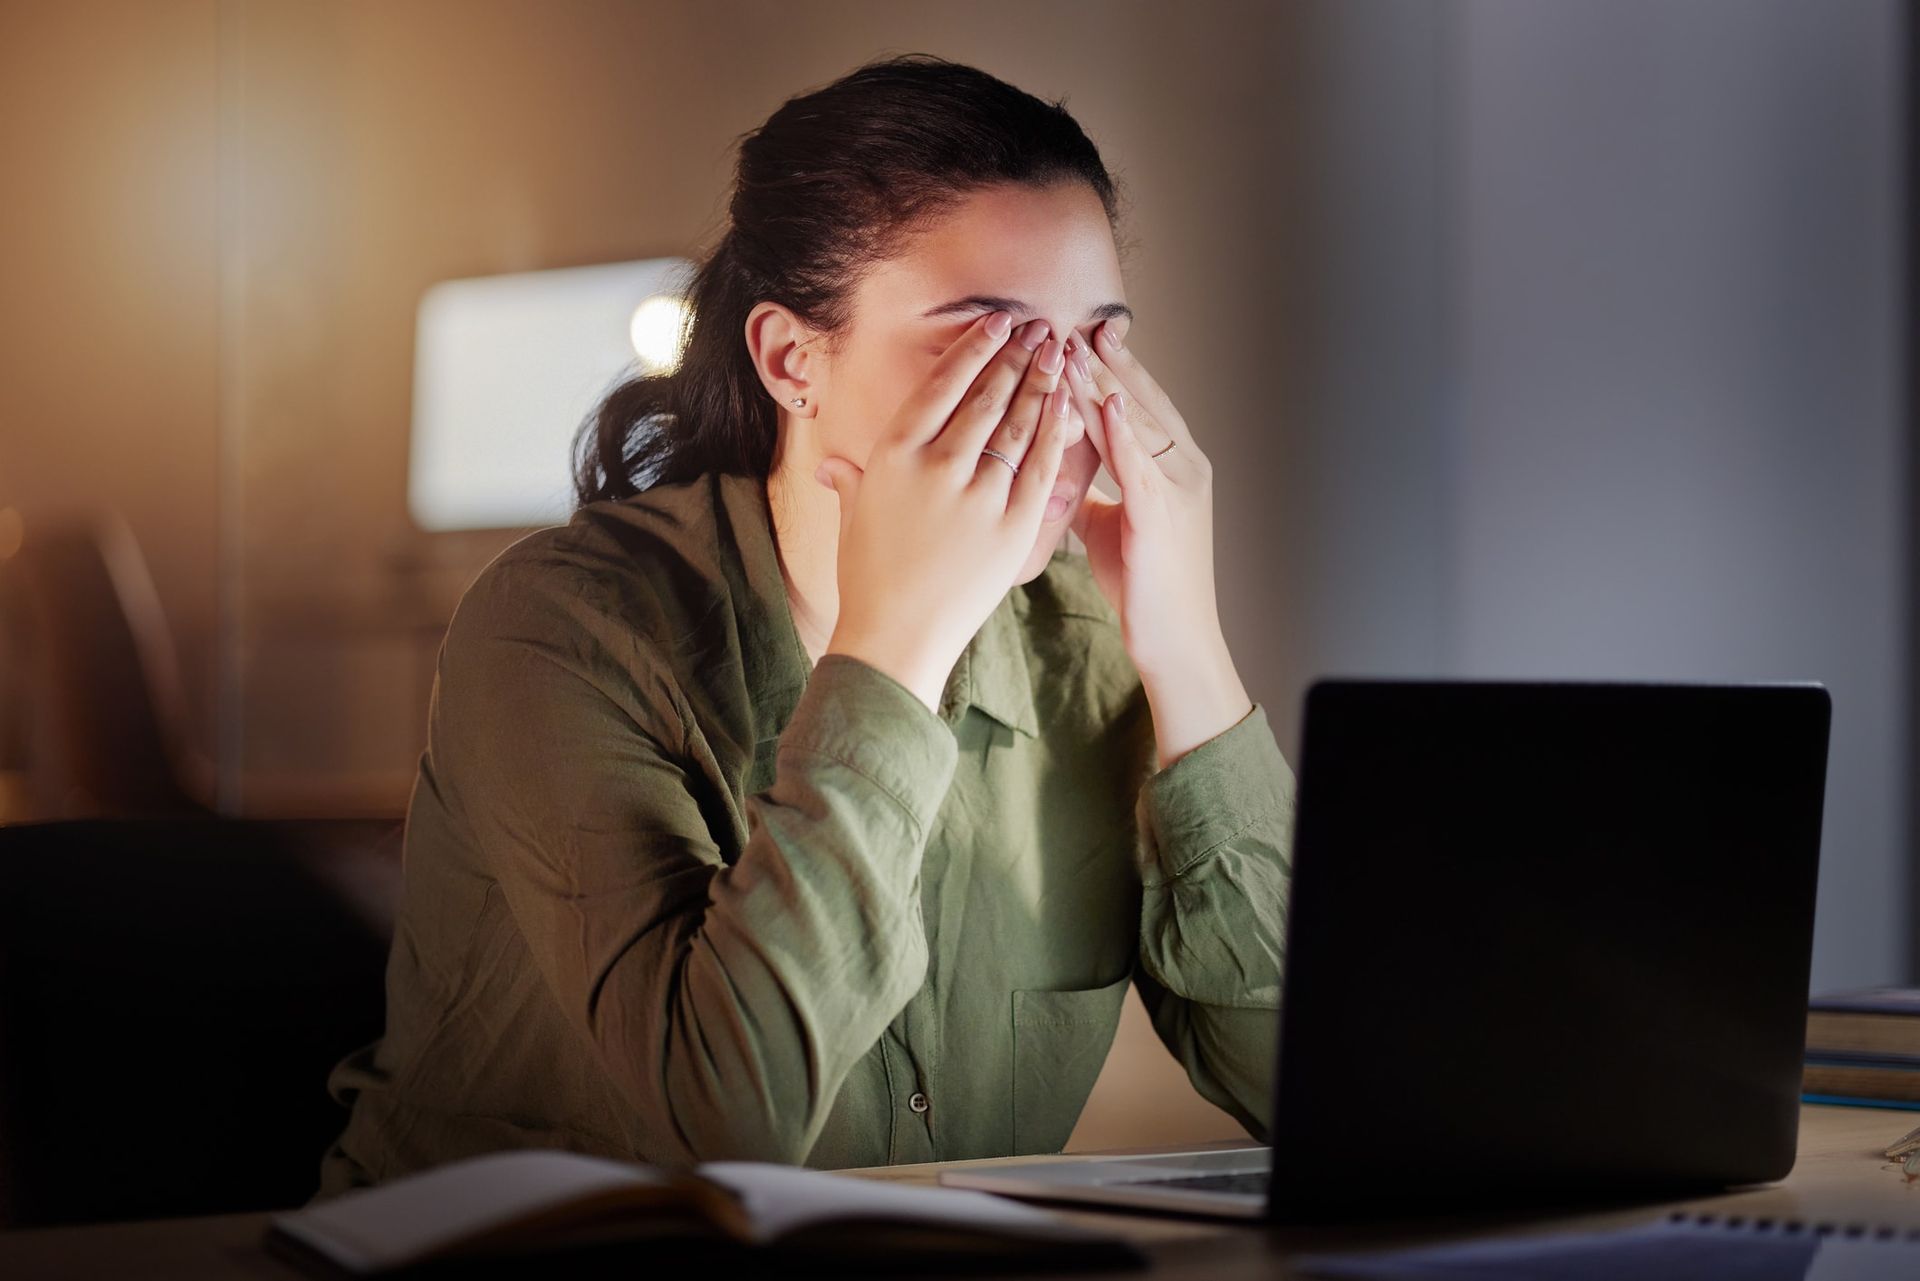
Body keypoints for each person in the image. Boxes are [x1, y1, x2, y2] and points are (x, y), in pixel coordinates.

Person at [315, 53, 1293, 1196]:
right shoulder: (558, 630)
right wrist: (896, 647)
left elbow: (1303, 1094)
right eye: (994, 343)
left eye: (1095, 346)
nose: (1061, 407)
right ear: (791, 361)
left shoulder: (1078, 645)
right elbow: (733, 1116)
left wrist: (1188, 651)